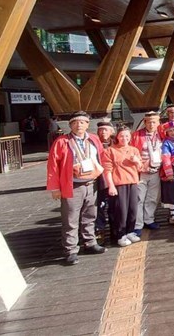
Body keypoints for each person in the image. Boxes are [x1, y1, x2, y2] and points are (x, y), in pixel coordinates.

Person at [46, 111, 107, 265]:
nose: (79, 125)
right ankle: (71, 250)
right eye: (75, 122)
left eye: (83, 122)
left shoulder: (93, 139)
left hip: (91, 183)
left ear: (87, 124)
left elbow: (102, 158)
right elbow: (53, 165)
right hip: (72, 185)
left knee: (90, 215)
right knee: (70, 219)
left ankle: (90, 242)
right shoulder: (62, 142)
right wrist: (55, 188)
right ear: (70, 125)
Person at [101, 125, 143, 247]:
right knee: (121, 210)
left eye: (127, 136)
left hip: (133, 182)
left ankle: (130, 231)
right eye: (122, 136)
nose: (124, 138)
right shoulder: (110, 151)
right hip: (119, 184)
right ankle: (120, 234)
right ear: (117, 137)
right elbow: (107, 170)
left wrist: (137, 161)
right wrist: (111, 186)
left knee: (133, 209)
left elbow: (140, 168)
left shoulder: (134, 150)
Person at [131, 111, 162, 235]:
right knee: (139, 198)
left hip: (156, 171)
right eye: (149, 122)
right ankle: (138, 224)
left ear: (158, 123)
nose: (151, 124)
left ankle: (149, 219)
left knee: (153, 197)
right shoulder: (137, 135)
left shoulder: (161, 134)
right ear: (144, 123)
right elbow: (132, 153)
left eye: (154, 122)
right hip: (141, 172)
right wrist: (141, 166)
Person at [94, 121, 115, 242]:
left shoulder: (117, 143)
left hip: (117, 178)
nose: (103, 132)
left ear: (111, 131)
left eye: (106, 130)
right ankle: (99, 229)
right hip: (101, 180)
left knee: (115, 206)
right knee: (100, 206)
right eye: (101, 130)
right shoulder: (93, 144)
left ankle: (115, 229)